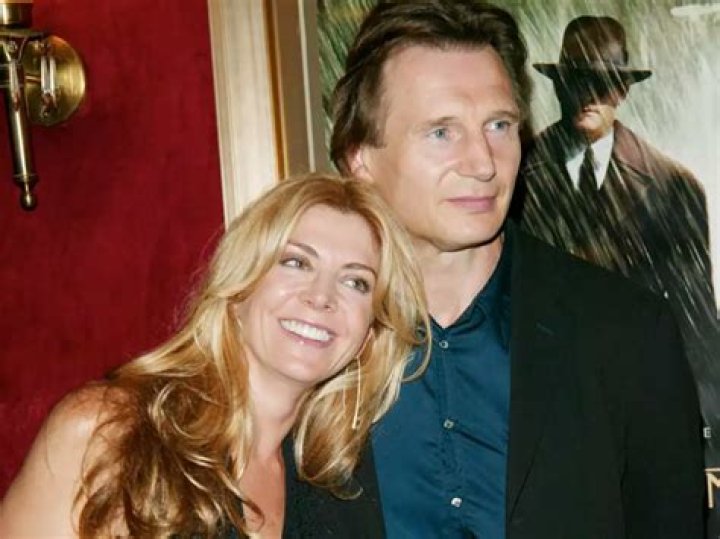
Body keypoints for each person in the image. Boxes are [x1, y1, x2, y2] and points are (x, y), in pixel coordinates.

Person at [330, 1, 704, 538]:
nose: (484, 162)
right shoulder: (309, 339)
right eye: (441, 132)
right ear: (360, 159)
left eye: (499, 125)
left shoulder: (627, 333)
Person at [0, 174, 429, 538]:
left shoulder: (339, 480)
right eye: (296, 262)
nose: (321, 297)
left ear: (370, 334)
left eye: (356, 283)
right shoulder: (110, 433)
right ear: (240, 286)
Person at [519, 14, 716, 352]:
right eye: (576, 80)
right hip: (538, 369)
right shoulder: (511, 173)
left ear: (623, 90)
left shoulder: (675, 189)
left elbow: (696, 327)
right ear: (558, 85)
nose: (588, 94)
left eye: (602, 82)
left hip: (634, 372)